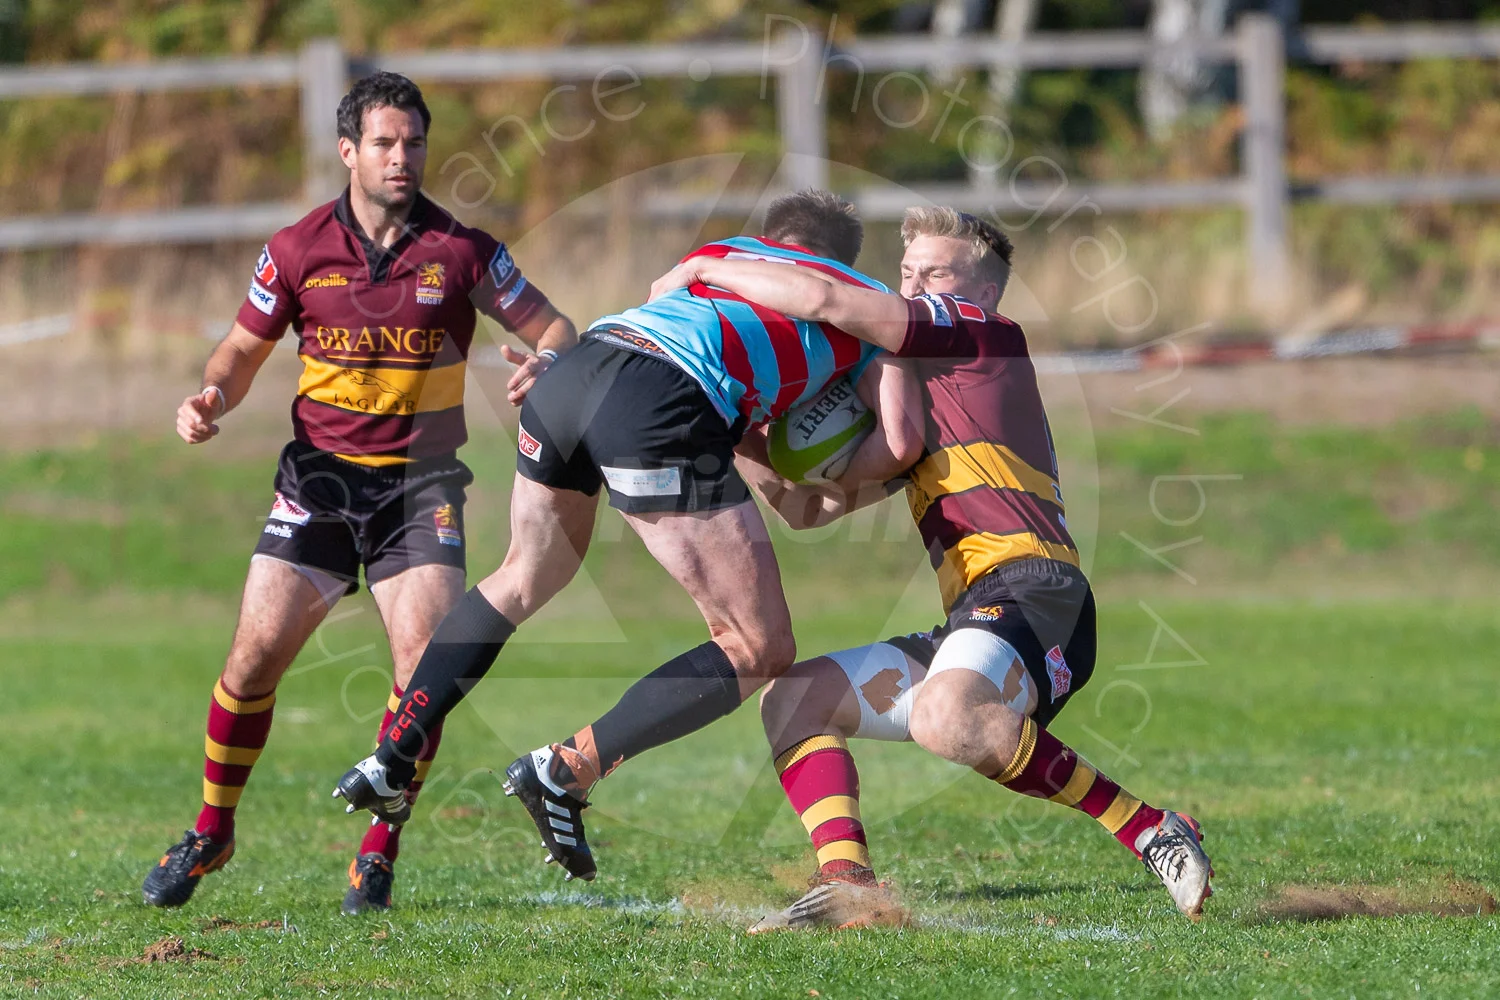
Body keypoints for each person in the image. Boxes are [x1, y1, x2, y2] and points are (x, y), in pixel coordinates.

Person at [332, 191, 925, 884]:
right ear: (841, 258)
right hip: (660, 400)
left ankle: (392, 756)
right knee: (757, 647)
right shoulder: (861, 300)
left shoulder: (718, 258)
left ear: (773, 238)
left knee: (522, 575)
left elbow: (736, 433)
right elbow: (900, 442)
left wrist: (787, 471)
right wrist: (868, 478)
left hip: (576, 372)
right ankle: (564, 770)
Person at [649, 206, 1214, 931]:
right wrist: (735, 434)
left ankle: (1151, 828)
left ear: (984, 290)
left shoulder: (982, 333)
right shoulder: (914, 397)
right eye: (907, 272)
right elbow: (808, 510)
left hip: (1037, 588)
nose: (914, 287)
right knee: (794, 699)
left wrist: (706, 267)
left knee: (946, 717)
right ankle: (849, 885)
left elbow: (825, 298)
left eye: (935, 274)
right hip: (978, 611)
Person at [145, 72, 575, 915]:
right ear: (349, 151)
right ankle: (211, 830)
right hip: (318, 484)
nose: (401, 157)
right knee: (252, 659)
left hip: (420, 491)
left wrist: (550, 361)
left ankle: (378, 854)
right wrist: (212, 397)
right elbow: (240, 349)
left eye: (413, 142)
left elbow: (556, 327)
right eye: (384, 142)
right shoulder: (296, 248)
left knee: (424, 674)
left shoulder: (464, 252)